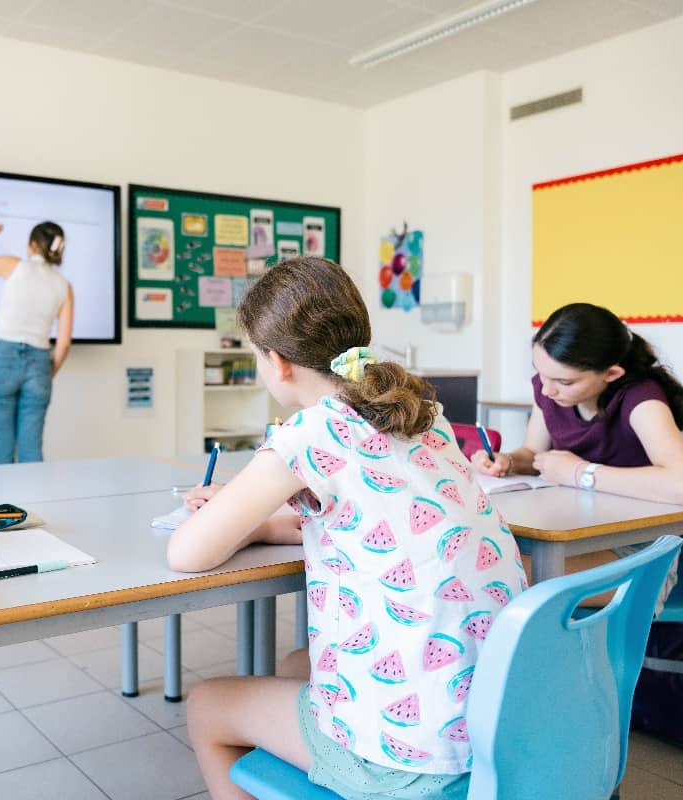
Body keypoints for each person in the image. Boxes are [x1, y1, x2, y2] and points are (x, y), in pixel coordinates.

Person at [169, 257, 526, 800]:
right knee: (293, 665)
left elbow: (188, 554)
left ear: (277, 362)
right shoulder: (422, 415)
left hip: (410, 757)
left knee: (206, 705)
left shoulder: (309, 433)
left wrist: (232, 514)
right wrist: (263, 526)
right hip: (497, 726)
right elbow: (376, 517)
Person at [471, 301, 683, 605]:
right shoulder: (549, 390)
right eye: (540, 374)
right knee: (481, 561)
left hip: (641, 555)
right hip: (570, 537)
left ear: (611, 373)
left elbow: (679, 484)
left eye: (564, 381)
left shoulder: (640, 398)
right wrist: (508, 461)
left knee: (496, 576)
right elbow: (534, 453)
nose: (546, 391)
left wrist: (579, 473)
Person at [0, 221, 74, 464]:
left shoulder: (14, 266)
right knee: (31, 449)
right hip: (39, 363)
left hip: (1, 358)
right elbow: (63, 344)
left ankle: (3, 502)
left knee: (0, 446)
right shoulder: (64, 286)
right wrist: (47, 372)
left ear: (32, 246)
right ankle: (35, 501)